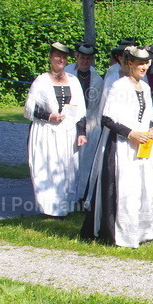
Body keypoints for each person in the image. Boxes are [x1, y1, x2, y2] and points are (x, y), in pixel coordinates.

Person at [79, 46, 153, 248]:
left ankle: (142, 232)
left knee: (147, 186)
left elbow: (149, 117)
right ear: (129, 63)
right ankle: (119, 233)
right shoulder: (119, 86)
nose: (144, 67)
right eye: (140, 63)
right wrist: (131, 134)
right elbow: (107, 119)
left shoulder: (144, 87)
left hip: (143, 145)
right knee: (125, 188)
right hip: (122, 145)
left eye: (146, 63)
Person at [24, 42, 87, 217]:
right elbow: (30, 109)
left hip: (67, 131)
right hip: (46, 131)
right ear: (51, 57)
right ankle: (48, 208)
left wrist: (81, 132)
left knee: (66, 167)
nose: (61, 60)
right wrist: (49, 116)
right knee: (47, 166)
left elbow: (81, 110)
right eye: (57, 56)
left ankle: (62, 207)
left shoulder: (73, 80)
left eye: (64, 57)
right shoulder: (41, 80)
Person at [66, 42, 104, 202]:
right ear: (77, 57)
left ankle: (82, 195)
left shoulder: (97, 79)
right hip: (70, 119)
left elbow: (99, 105)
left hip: (90, 123)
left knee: (86, 160)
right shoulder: (67, 74)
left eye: (88, 59)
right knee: (69, 158)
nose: (85, 61)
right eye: (82, 58)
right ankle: (67, 194)